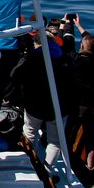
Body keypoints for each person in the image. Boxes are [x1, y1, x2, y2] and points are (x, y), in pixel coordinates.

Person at [10, 33, 74, 172]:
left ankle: (30, 164)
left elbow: (15, 74)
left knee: (30, 133)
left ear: (37, 43)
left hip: (35, 104)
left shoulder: (31, 58)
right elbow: (74, 84)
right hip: (59, 107)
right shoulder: (66, 59)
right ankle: (48, 171)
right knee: (55, 141)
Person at [69, 14, 94, 170]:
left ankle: (67, 161)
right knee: (92, 138)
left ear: (82, 47)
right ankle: (90, 165)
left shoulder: (76, 61)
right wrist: (80, 27)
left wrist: (69, 27)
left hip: (79, 106)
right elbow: (93, 43)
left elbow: (67, 46)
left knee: (68, 133)